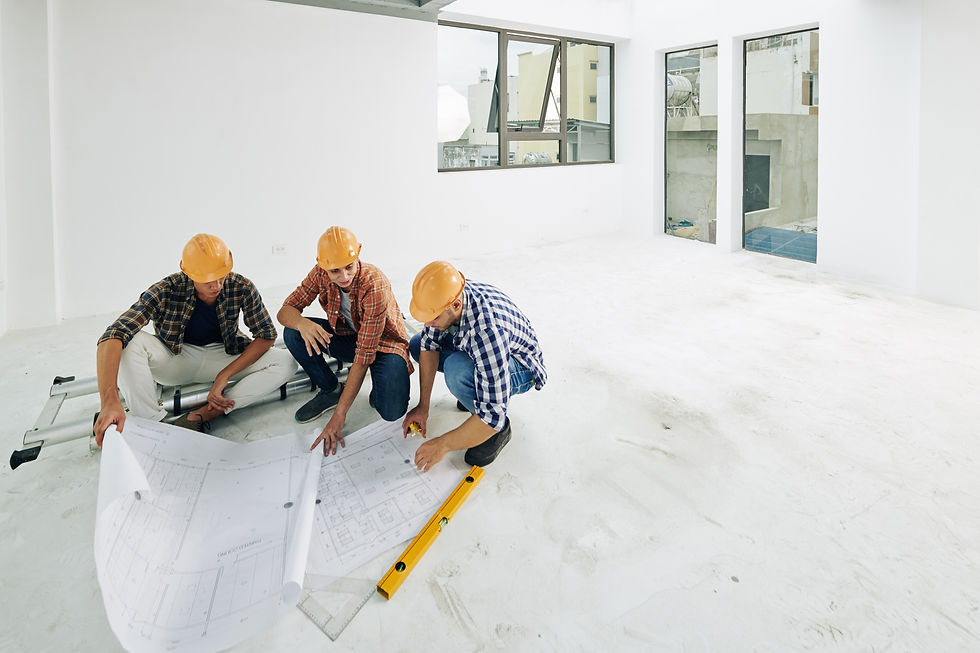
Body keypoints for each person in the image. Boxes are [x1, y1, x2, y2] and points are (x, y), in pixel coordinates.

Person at [93, 234, 298, 445]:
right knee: (130, 341)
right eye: (207, 280)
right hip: (174, 360)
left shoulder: (241, 286)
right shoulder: (166, 289)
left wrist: (225, 375)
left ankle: (202, 416)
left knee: (286, 362)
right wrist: (109, 402)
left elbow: (266, 335)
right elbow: (113, 334)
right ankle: (154, 425)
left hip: (222, 356)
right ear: (187, 271)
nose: (216, 285)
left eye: (221, 276)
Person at [278, 226, 412, 456]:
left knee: (391, 411)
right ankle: (330, 389)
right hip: (349, 336)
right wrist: (302, 324)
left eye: (349, 267)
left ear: (358, 253)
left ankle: (382, 384)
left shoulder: (374, 283)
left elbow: (364, 355)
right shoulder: (320, 273)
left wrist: (339, 416)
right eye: (334, 271)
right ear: (322, 264)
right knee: (293, 333)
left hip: (385, 346)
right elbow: (285, 311)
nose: (344, 277)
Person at [402, 261, 546, 470]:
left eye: (432, 318)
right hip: (485, 350)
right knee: (418, 344)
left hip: (521, 365)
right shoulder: (449, 296)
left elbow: (492, 415)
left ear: (456, 306)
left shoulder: (487, 332)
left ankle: (499, 433)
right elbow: (428, 344)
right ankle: (473, 397)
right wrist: (423, 407)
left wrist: (442, 444)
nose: (428, 324)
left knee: (457, 370)